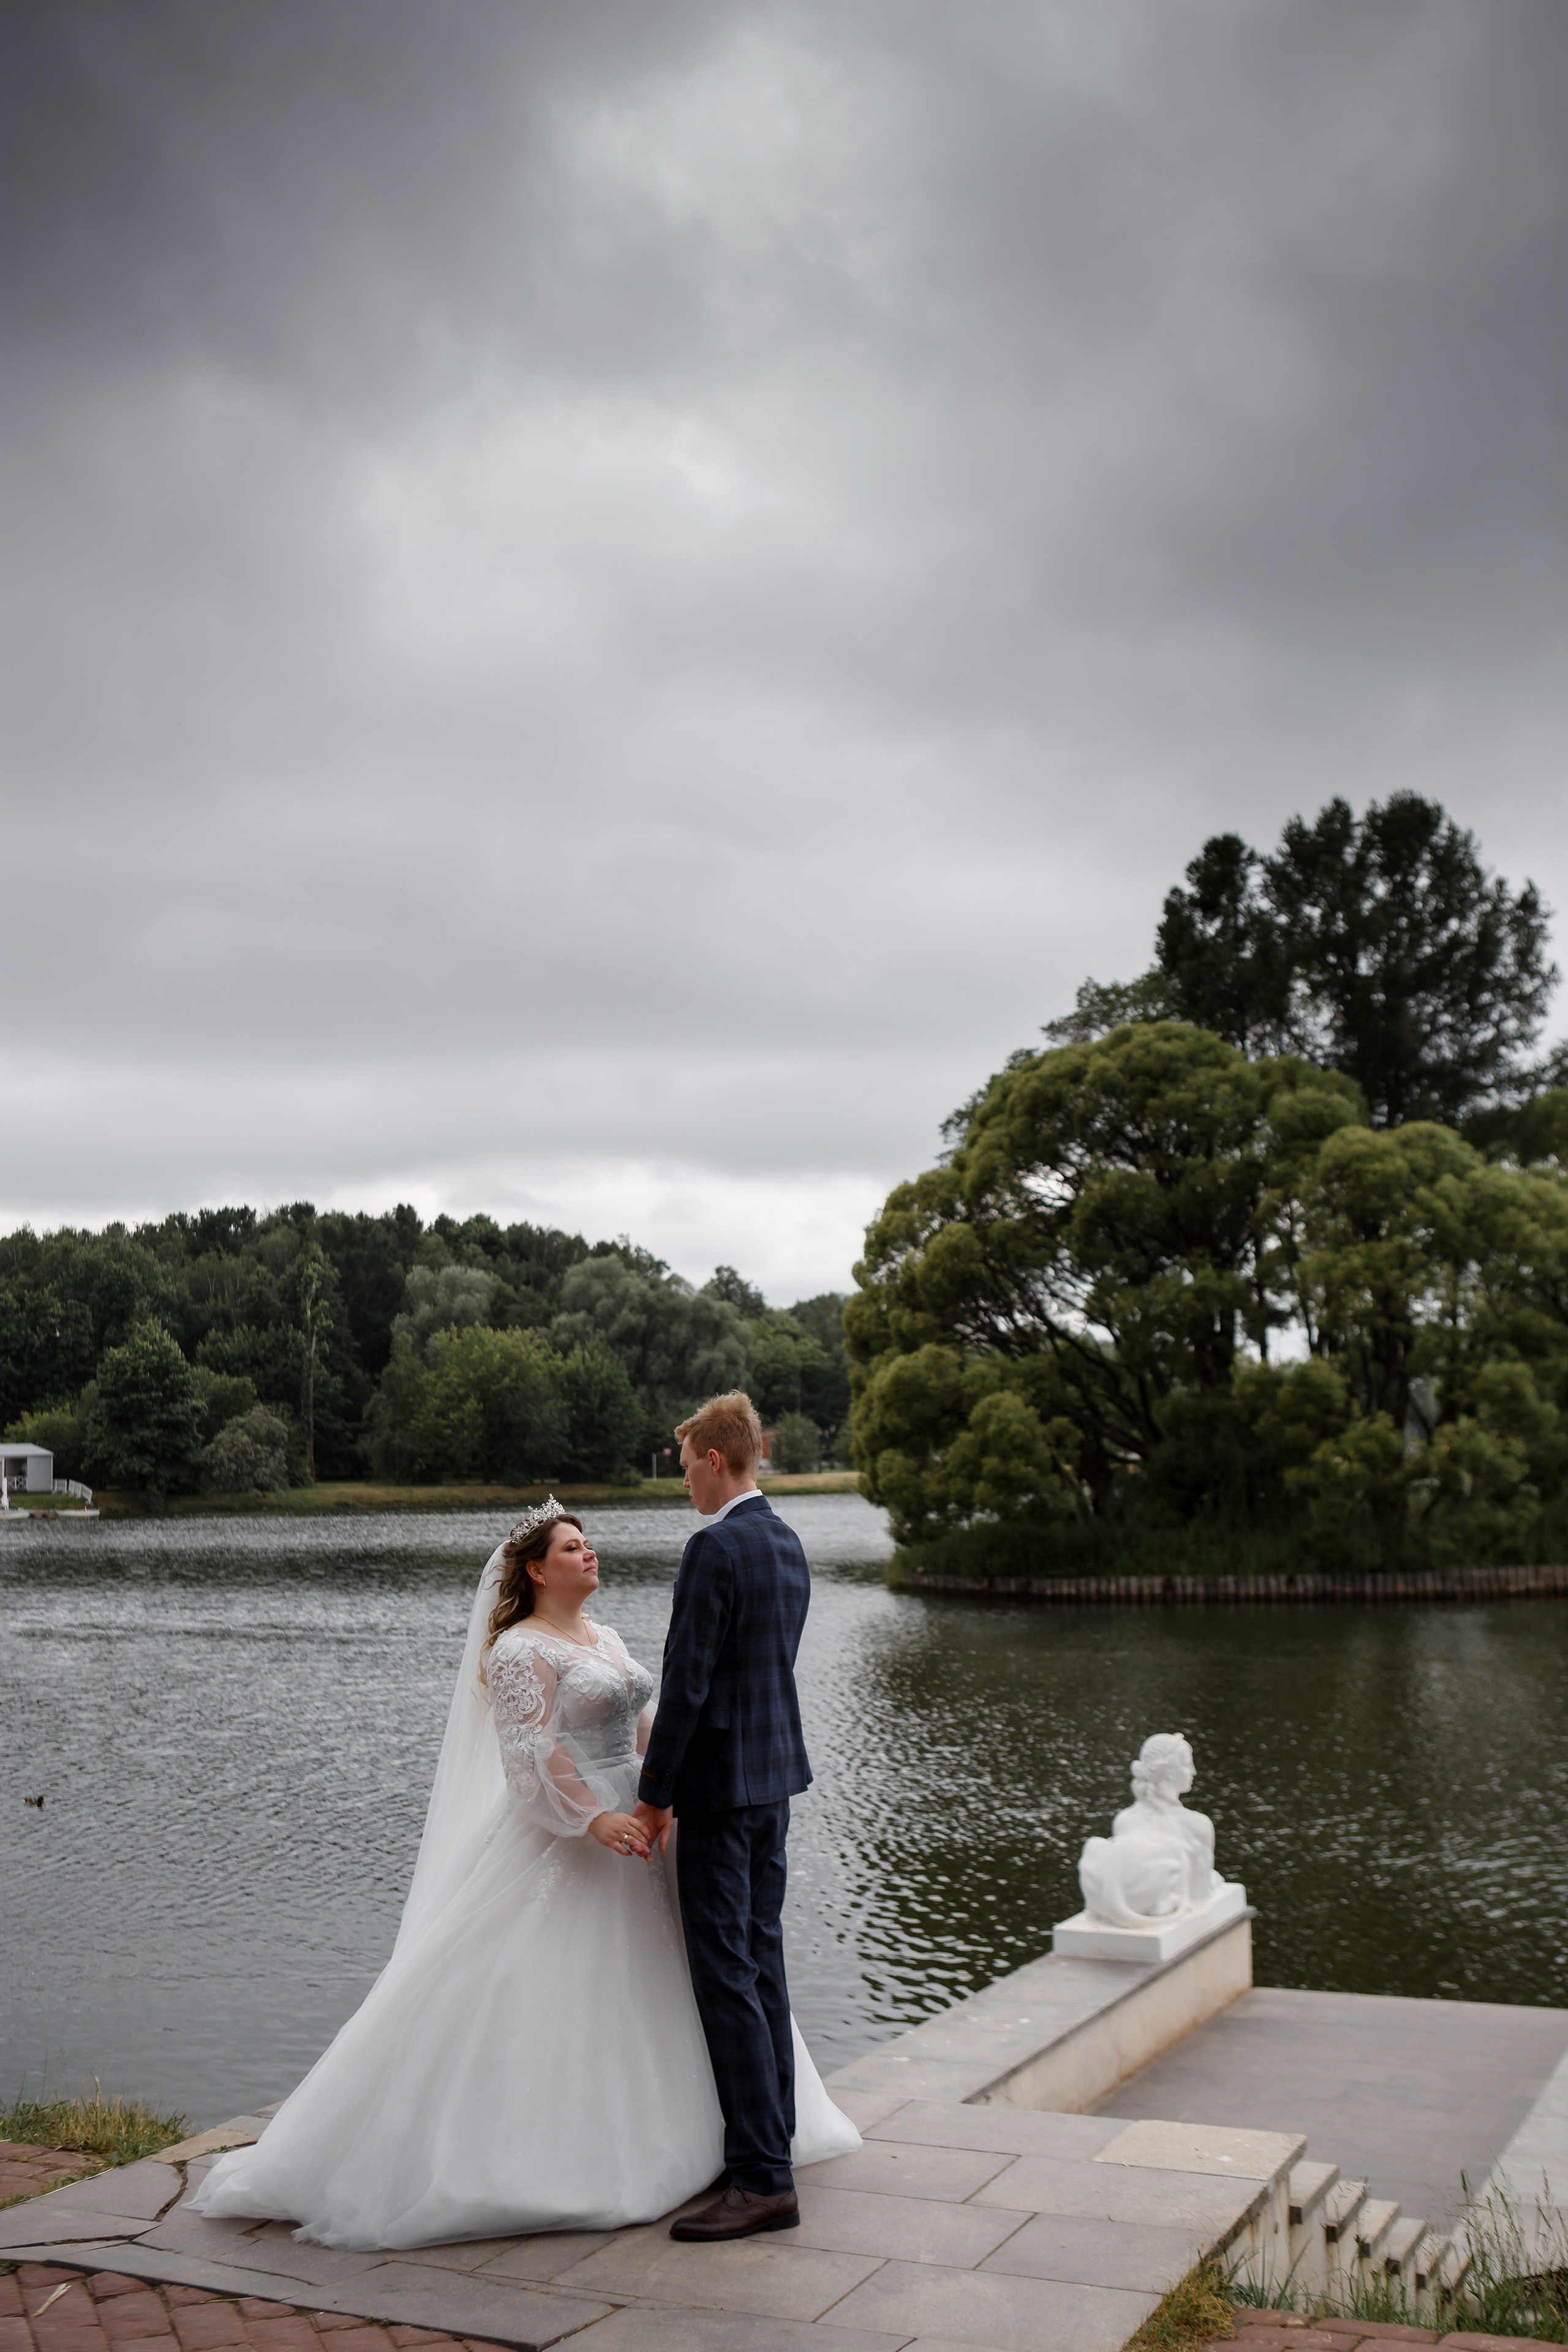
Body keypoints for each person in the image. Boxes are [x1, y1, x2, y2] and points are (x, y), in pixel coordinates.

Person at [190, 1486, 857, 2250]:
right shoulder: (516, 1651)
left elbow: (646, 1726)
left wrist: (659, 1793)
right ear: (537, 1572)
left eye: (587, 1543)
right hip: (577, 1832)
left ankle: (725, 2148)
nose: (588, 1552)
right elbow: (530, 1756)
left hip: (639, 1825)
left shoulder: (604, 1638)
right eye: (572, 1547)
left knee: (679, 1977)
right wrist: (595, 1817)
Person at [631, 1390, 818, 2242]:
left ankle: (760, 2179)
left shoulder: (715, 1548)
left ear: (715, 1459)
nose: (685, 1487)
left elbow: (689, 1685)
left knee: (727, 1977)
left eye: (686, 1470)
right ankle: (774, 2146)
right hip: (773, 1786)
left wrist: (653, 1794)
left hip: (717, 1792)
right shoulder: (785, 1541)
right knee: (763, 1965)